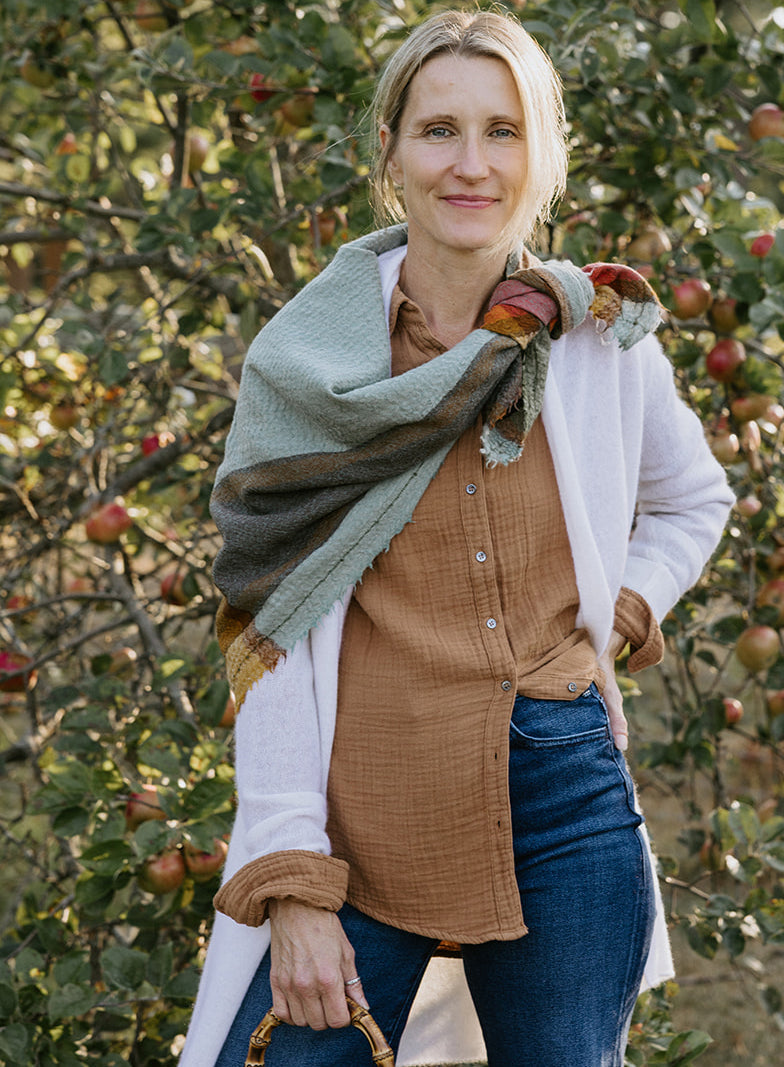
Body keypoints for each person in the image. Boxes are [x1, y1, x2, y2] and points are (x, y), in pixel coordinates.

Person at [179, 9, 734, 1067]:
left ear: (542, 155)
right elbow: (273, 624)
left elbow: (690, 499)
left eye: (503, 131)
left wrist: (617, 609)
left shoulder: (596, 336)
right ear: (387, 150)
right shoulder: (309, 365)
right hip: (362, 809)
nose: (470, 165)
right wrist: (293, 880)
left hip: (566, 794)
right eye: (438, 131)